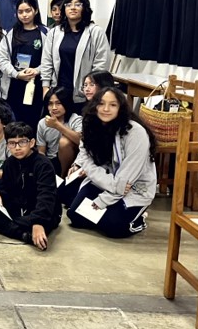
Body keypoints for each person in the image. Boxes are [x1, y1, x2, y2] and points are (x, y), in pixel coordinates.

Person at [66, 87, 157, 238]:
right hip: (105, 182)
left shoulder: (135, 132)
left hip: (133, 187)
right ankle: (111, 213)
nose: (106, 109)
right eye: (101, 104)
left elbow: (126, 180)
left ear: (121, 108)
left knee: (114, 227)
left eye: (113, 105)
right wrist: (111, 185)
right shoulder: (90, 125)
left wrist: (103, 201)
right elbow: (87, 163)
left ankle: (138, 219)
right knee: (76, 216)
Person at [0, 122, 61, 251]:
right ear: (7, 145)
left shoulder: (43, 164)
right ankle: (22, 234)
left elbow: (46, 196)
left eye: (22, 142)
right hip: (17, 208)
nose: (17, 148)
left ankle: (0, 224)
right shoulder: (9, 163)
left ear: (32, 143)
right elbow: (4, 185)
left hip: (40, 210)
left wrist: (38, 222)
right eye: (12, 143)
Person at [40, 0, 110, 110]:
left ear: (85, 8)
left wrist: (93, 88)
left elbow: (101, 64)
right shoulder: (54, 32)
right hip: (59, 91)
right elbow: (47, 61)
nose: (72, 8)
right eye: (68, 5)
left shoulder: (95, 32)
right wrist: (45, 87)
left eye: (78, 4)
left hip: (85, 94)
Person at [0, 0, 47, 130]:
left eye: (28, 11)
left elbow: (51, 60)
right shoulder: (10, 34)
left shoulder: (46, 33)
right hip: (14, 85)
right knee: (14, 124)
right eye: (20, 12)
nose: (24, 15)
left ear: (35, 11)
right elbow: (2, 60)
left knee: (33, 123)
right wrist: (17, 74)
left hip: (36, 85)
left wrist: (37, 70)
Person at [36, 86, 82, 177]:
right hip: (51, 161)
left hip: (73, 162)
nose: (54, 108)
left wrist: (57, 125)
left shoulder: (76, 119)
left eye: (58, 103)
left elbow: (82, 141)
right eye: (50, 104)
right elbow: (41, 152)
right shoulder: (43, 123)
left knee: (64, 142)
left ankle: (63, 177)